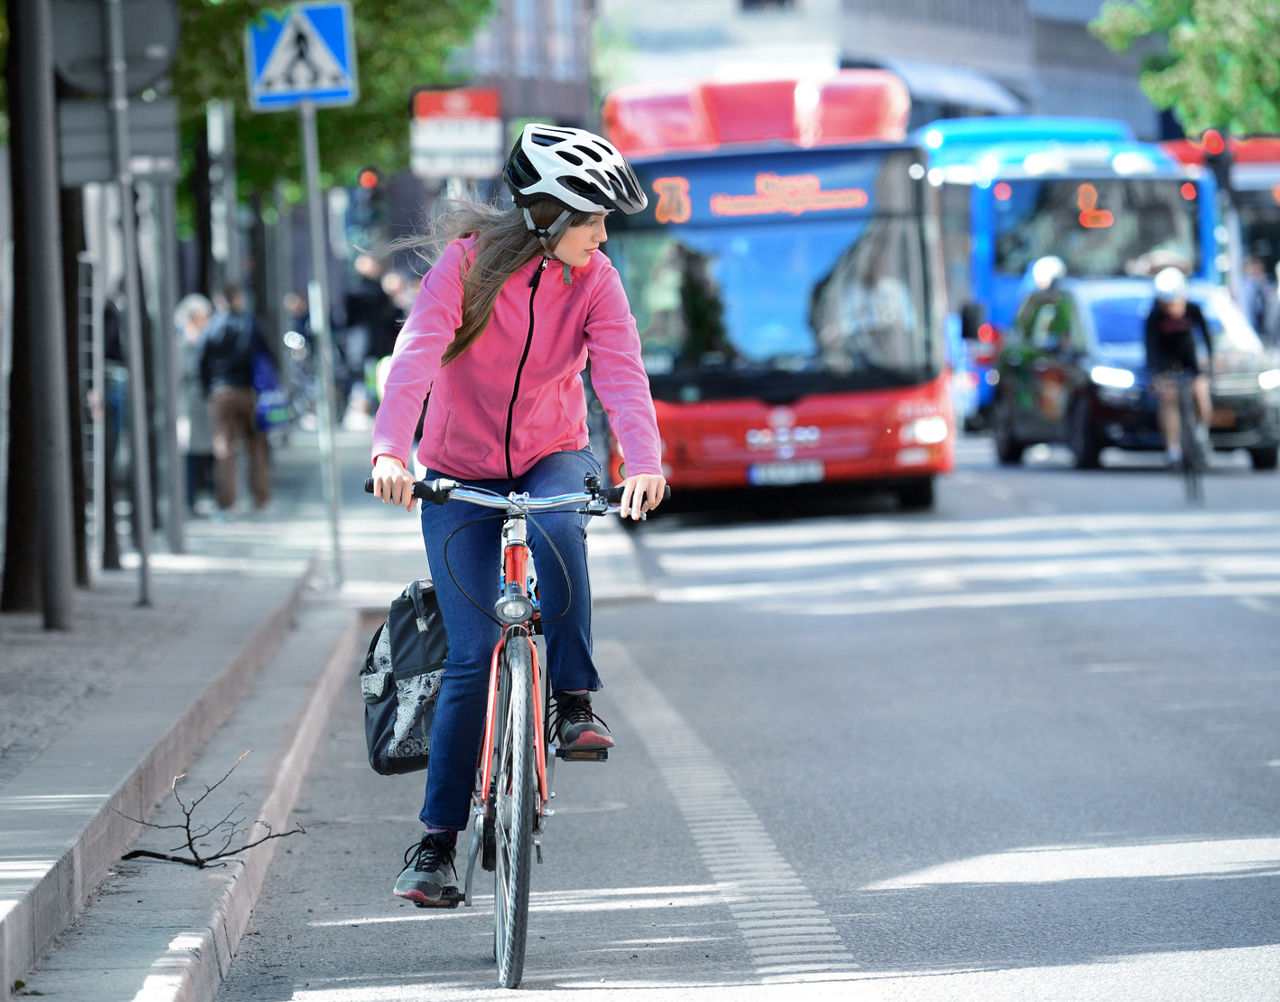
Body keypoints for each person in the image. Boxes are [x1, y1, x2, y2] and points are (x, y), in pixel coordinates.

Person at [369, 123, 666, 906]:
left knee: (563, 525)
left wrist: (645, 461)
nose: (602, 237)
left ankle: (571, 703)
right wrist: (390, 454)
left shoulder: (595, 280)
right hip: (459, 473)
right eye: (592, 219)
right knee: (472, 654)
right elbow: (414, 359)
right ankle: (435, 846)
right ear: (546, 215)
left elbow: (623, 375)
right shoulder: (464, 271)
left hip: (551, 454)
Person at [198, 283, 274, 516]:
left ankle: (227, 504)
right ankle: (260, 501)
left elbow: (201, 363)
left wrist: (208, 389)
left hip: (220, 392)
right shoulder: (249, 324)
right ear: (238, 299)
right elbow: (267, 357)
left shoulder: (211, 327)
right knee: (256, 447)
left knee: (224, 450)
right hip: (248, 392)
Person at [1144, 267, 1213, 467]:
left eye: (1175, 303)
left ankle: (1201, 434)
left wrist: (1209, 364)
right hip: (1165, 359)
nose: (1171, 309)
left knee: (1200, 390)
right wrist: (1156, 374)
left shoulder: (1193, 310)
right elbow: (1150, 347)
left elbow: (1206, 339)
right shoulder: (1155, 316)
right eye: (1166, 304)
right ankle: (1173, 450)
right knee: (1168, 397)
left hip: (1189, 357)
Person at [174, 294, 216, 513]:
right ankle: (190, 500)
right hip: (191, 403)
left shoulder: (205, 338)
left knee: (208, 453)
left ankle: (205, 496)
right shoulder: (185, 342)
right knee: (191, 455)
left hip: (203, 402)